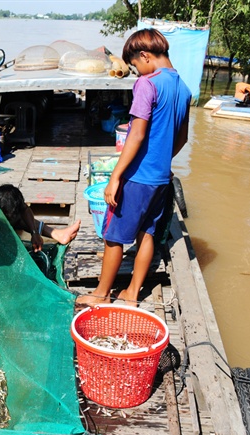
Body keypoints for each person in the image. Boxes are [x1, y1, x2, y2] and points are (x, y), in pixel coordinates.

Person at [75, 29, 191, 308]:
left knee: (113, 236)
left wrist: (116, 176)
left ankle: (101, 294)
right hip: (160, 178)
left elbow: (136, 135)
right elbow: (182, 138)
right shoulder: (184, 88)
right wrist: (163, 160)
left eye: (136, 66)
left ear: (145, 56)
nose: (137, 72)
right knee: (147, 233)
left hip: (138, 177)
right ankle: (132, 292)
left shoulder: (147, 84)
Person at [0, 184, 80, 252]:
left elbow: (25, 209)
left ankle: (58, 234)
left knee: (21, 219)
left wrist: (34, 233)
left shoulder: (8, 199)